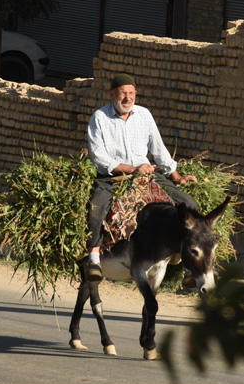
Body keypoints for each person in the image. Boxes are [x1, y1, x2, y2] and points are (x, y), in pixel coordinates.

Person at [85, 73, 198, 281]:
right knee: (95, 211)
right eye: (122, 94)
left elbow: (159, 149)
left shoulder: (145, 115)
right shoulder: (99, 118)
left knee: (189, 206)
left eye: (131, 93)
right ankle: (94, 260)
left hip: (146, 175)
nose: (127, 98)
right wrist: (131, 169)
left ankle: (189, 264)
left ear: (135, 93)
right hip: (112, 177)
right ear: (112, 95)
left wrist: (177, 177)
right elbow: (98, 156)